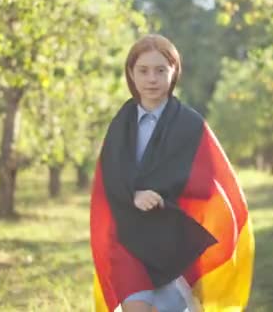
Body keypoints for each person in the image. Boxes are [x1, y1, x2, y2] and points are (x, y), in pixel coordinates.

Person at [90, 34, 254, 312]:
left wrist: (163, 197)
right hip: (128, 239)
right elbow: (109, 177)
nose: (151, 79)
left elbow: (208, 182)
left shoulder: (190, 124)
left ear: (174, 71)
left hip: (173, 241)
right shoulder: (121, 123)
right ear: (131, 73)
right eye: (143, 70)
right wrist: (134, 195)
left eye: (160, 70)